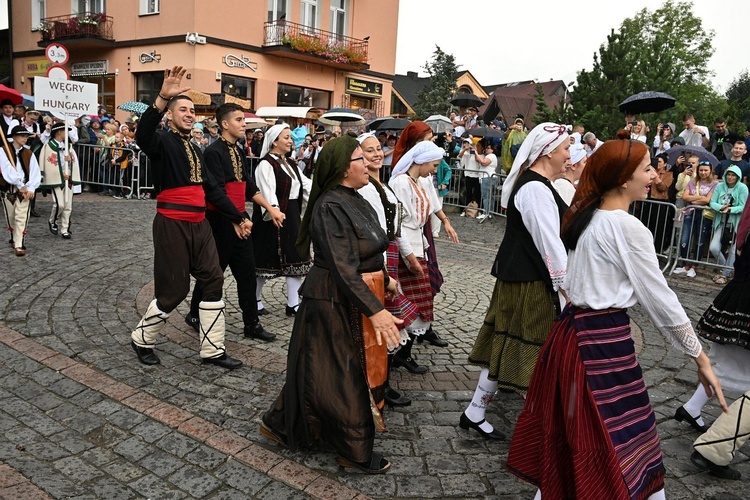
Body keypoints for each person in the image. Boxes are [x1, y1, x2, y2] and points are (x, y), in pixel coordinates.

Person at [506, 131, 727, 500]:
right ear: (623, 178)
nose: (655, 176)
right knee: (618, 438)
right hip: (599, 345)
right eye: (646, 169)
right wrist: (699, 357)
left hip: (573, 338)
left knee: (579, 435)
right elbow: (660, 299)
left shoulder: (586, 216)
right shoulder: (624, 226)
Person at [260, 135, 403, 474]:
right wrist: (377, 310)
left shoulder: (356, 198)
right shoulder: (329, 206)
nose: (369, 162)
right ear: (342, 169)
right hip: (330, 299)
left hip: (349, 294)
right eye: (360, 158)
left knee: (316, 368)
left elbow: (367, 248)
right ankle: (353, 451)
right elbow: (342, 266)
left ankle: (281, 423)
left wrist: (385, 275)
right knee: (341, 372)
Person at [129, 66, 248, 370]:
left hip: (200, 224)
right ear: (169, 115)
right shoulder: (161, 142)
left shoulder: (196, 147)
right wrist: (160, 98)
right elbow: (142, 134)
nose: (189, 114)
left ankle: (213, 349)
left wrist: (237, 216)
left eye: (192, 110)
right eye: (182, 109)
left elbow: (212, 189)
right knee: (174, 290)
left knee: (213, 278)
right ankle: (142, 338)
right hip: (172, 223)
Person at [461, 123, 571, 440]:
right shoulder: (535, 189)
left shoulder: (541, 185)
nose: (568, 156)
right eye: (564, 149)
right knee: (533, 352)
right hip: (529, 281)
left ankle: (475, 411)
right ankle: (542, 428)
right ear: (549, 151)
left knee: (508, 346)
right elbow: (549, 244)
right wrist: (567, 289)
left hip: (524, 277)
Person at [185, 103, 284, 342]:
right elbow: (216, 192)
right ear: (225, 124)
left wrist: (270, 208)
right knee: (213, 273)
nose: (244, 124)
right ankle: (195, 314)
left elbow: (248, 186)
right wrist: (236, 219)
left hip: (240, 220)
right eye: (239, 120)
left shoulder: (238, 149)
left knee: (247, 274)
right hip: (220, 223)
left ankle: (251, 324)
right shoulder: (213, 152)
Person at [356, 131, 417, 407]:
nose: (377, 154)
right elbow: (371, 232)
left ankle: (383, 380)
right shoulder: (366, 188)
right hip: (378, 256)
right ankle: (379, 383)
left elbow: (395, 225)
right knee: (380, 321)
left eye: (378, 149)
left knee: (390, 319)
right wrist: (384, 271)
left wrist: (408, 255)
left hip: (388, 251)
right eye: (369, 151)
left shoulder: (384, 184)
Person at [391, 122, 459, 363]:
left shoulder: (418, 181)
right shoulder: (400, 183)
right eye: (433, 165)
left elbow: (429, 205)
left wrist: (444, 222)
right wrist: (409, 254)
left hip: (419, 242)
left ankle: (403, 352)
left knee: (420, 297)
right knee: (410, 298)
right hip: (408, 245)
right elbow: (397, 224)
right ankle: (400, 352)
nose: (434, 171)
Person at [253, 123, 312, 317]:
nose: (290, 141)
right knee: (265, 261)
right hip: (272, 217)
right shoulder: (266, 164)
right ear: (274, 141)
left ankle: (293, 304)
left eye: (290, 137)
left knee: (296, 257)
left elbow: (305, 185)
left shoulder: (291, 163)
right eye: (286, 137)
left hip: (292, 214)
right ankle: (255, 299)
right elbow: (267, 190)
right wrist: (275, 211)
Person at [0, 126, 41, 256]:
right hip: (9, 188)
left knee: (21, 217)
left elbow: (35, 172)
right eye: (22, 136)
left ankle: (19, 244)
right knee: (11, 217)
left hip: (25, 190)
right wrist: (19, 184)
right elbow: (7, 170)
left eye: (26, 136)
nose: (25, 138)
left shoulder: (29, 153)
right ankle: (14, 237)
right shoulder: (3, 151)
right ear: (14, 137)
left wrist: (31, 187)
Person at [674, 160, 718, 278]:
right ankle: (685, 264)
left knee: (699, 240)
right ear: (698, 171)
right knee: (685, 238)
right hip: (690, 212)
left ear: (710, 171)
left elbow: (707, 200)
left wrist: (693, 199)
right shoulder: (693, 182)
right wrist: (700, 197)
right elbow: (685, 196)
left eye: (705, 170)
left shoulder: (714, 184)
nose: (703, 172)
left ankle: (694, 266)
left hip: (704, 214)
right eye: (701, 170)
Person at [38, 122, 81, 240]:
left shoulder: (68, 146)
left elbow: (74, 161)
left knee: (68, 205)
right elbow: (45, 162)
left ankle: (65, 229)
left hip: (68, 178)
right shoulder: (48, 146)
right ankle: (52, 220)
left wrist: (70, 160)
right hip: (56, 178)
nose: (67, 133)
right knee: (59, 204)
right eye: (65, 131)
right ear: (59, 132)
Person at [708, 165, 748, 284]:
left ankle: (724, 274)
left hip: (736, 223)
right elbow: (712, 202)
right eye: (729, 175)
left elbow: (743, 206)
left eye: (733, 175)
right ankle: (726, 267)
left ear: (738, 177)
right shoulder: (720, 186)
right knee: (714, 247)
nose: (730, 177)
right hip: (721, 221)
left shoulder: (743, 188)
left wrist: (730, 209)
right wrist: (720, 207)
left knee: (732, 250)